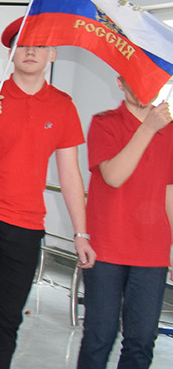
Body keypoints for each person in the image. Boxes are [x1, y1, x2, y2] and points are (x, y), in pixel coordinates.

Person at [0, 18, 95, 369]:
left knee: (8, 315)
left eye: (40, 45)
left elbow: (70, 173)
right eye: (24, 45)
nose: (31, 51)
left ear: (52, 55)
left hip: (27, 225)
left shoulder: (62, 105)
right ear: (12, 53)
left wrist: (81, 233)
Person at [76, 78, 172, 369]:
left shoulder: (170, 131)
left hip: (152, 251)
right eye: (135, 80)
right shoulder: (105, 123)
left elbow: (169, 191)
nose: (143, 87)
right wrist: (148, 128)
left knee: (141, 341)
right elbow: (114, 176)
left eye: (151, 80)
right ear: (119, 82)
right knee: (99, 337)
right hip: (106, 248)